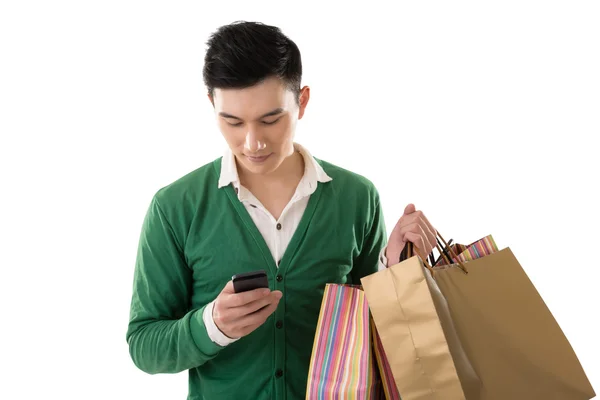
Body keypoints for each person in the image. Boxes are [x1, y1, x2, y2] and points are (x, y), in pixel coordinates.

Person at [126, 20, 438, 400]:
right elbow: (144, 345)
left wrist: (396, 267)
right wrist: (212, 325)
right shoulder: (175, 207)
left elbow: (380, 336)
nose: (252, 142)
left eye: (270, 120)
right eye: (233, 122)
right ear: (213, 105)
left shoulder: (357, 198)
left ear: (302, 101)